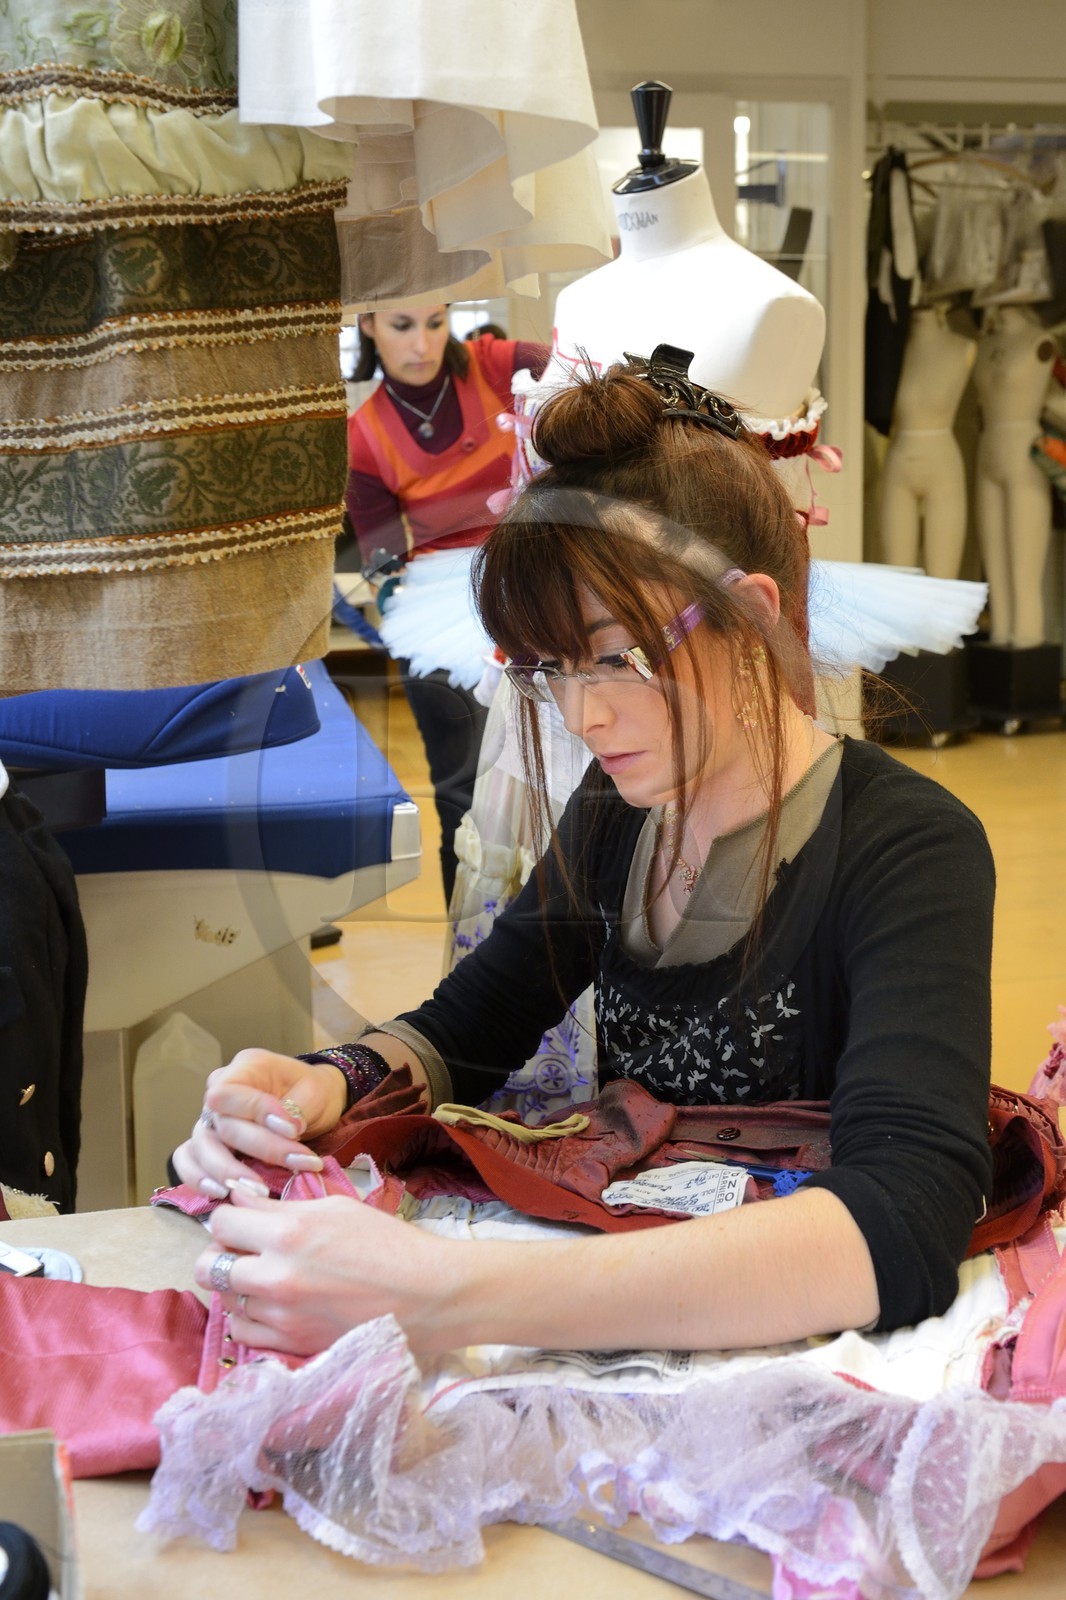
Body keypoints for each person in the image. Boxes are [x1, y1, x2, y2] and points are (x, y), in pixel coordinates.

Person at [175, 351, 995, 1360]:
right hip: (627, 1312)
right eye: (552, 667)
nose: (584, 712)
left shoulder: (908, 847)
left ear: (755, 615)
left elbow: (902, 1217)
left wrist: (459, 1294)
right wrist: (323, 1082)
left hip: (800, 1361)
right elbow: (471, 1025)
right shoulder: (617, 809)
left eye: (619, 657)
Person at [345, 302, 549, 901]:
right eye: (402, 326)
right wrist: (400, 612)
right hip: (440, 604)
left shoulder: (498, 365)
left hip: (533, 573)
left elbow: (585, 375)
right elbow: (382, 561)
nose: (423, 344)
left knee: (562, 786)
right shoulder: (364, 438)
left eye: (435, 323)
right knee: (463, 794)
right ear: (368, 326)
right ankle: (467, 961)